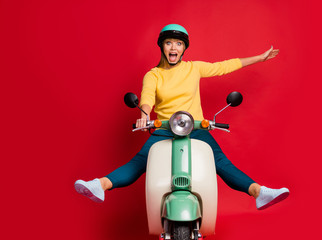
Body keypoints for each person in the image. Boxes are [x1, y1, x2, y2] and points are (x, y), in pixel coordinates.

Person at [75, 24, 289, 210]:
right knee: (140, 162)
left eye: (178, 43)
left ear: (184, 48)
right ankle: (99, 185)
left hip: (195, 127)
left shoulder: (193, 68)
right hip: (164, 128)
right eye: (169, 43)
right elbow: (147, 97)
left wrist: (260, 58)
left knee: (221, 162)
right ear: (162, 47)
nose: (173, 48)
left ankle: (259, 193)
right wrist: (143, 114)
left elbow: (224, 66)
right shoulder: (154, 74)